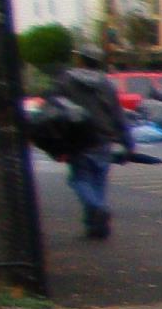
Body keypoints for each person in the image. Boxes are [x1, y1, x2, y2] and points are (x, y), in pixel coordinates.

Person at [53, 46, 127, 240]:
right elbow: (117, 114)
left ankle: (97, 209)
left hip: (78, 139)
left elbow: (55, 110)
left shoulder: (65, 81)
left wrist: (57, 142)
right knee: (98, 182)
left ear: (81, 60)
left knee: (79, 179)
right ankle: (96, 226)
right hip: (103, 139)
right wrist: (126, 140)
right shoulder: (107, 84)